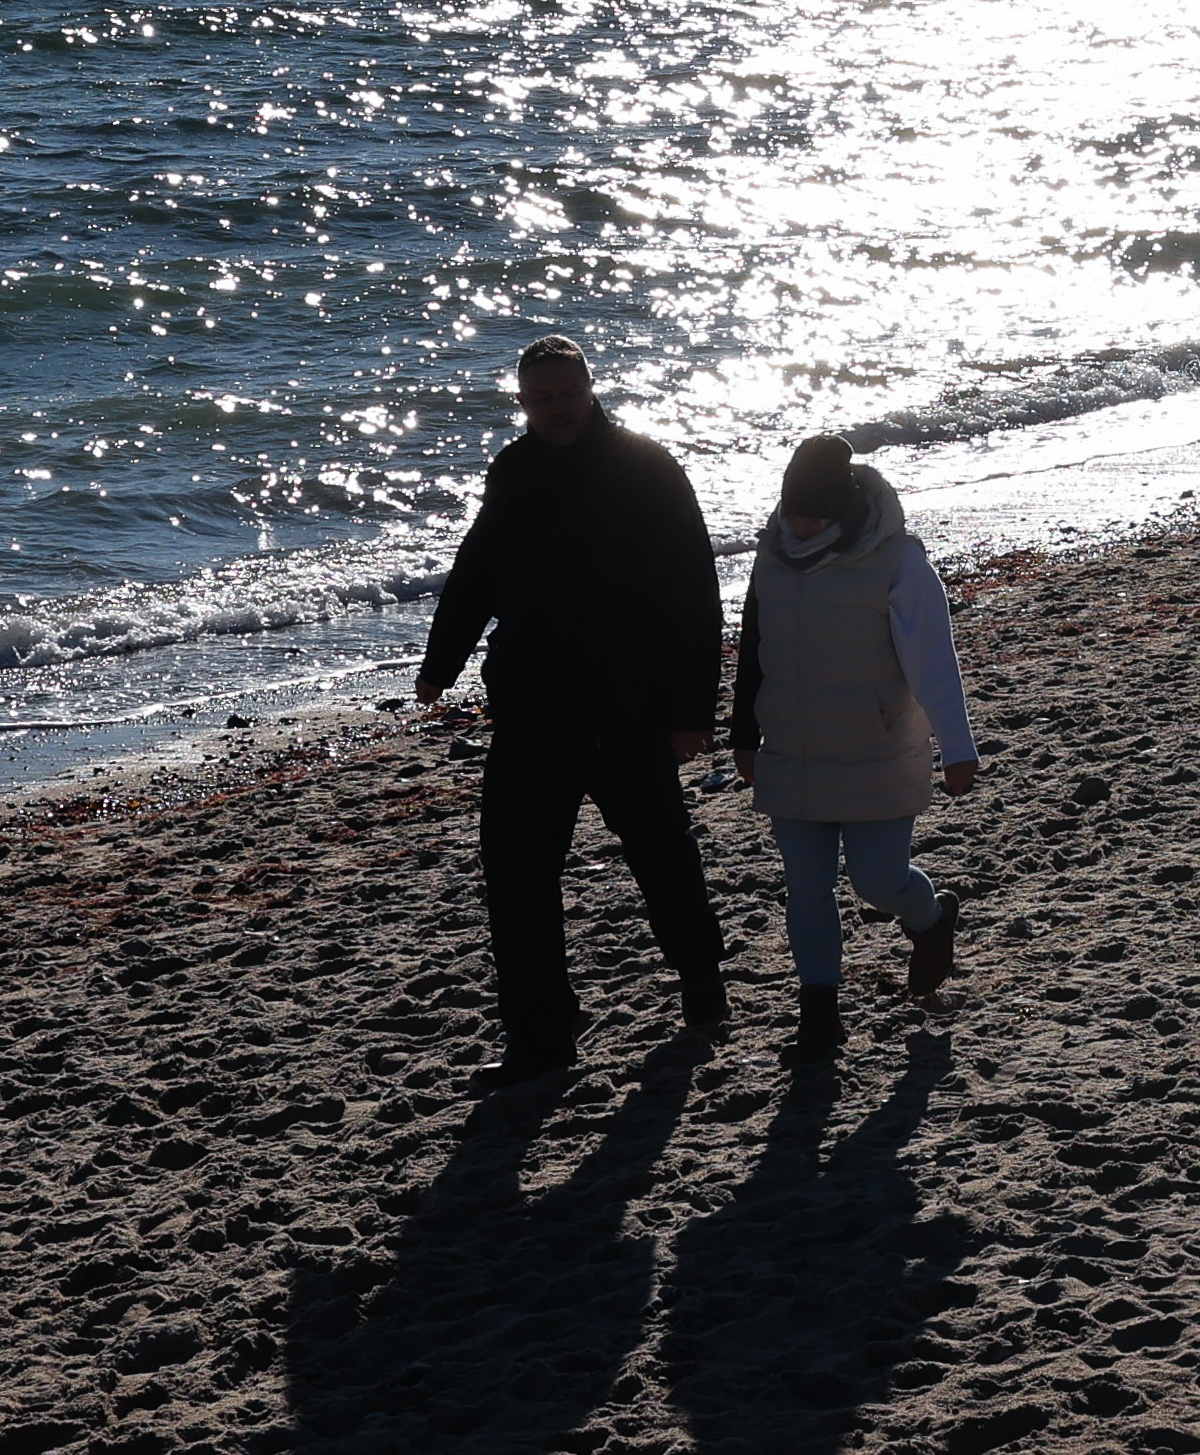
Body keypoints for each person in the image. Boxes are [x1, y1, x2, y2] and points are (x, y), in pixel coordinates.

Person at [410, 336, 732, 1074]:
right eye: (541, 398)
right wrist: (441, 664)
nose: (556, 409)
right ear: (523, 402)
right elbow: (477, 570)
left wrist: (692, 712)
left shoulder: (646, 468)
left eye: (567, 394)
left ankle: (701, 980)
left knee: (660, 852)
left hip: (628, 706)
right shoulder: (514, 470)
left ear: (591, 389)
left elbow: (694, 591)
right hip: (531, 707)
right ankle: (541, 1030)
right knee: (515, 867)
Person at [727, 433, 979, 1021]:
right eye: (796, 513)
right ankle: (819, 1009)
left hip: (878, 747)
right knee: (807, 888)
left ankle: (932, 919)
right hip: (790, 747)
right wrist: (744, 735)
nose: (805, 525)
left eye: (816, 513)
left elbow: (932, 660)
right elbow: (754, 649)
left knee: (878, 881)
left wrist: (957, 747)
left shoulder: (895, 560)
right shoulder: (771, 556)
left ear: (841, 508)